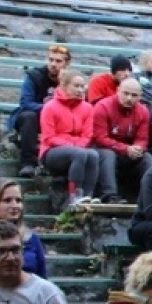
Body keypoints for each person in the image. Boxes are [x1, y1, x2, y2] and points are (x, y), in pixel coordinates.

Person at [40, 69, 116, 207]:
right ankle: (74, 195)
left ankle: (88, 195)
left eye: (82, 87)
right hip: (51, 151)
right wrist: (72, 144)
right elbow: (49, 137)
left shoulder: (87, 108)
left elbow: (87, 135)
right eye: (76, 86)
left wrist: (76, 144)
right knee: (80, 153)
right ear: (64, 85)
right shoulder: (50, 107)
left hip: (77, 148)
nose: (80, 90)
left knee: (93, 154)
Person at [10, 43, 70, 177]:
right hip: (36, 117)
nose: (53, 64)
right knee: (28, 116)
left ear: (66, 63)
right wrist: (50, 109)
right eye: (51, 60)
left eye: (58, 61)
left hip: (59, 120)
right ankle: (28, 163)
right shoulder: (34, 76)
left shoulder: (70, 81)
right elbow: (25, 103)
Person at [91, 76, 152, 202]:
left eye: (134, 95)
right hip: (103, 149)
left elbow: (143, 138)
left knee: (146, 158)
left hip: (128, 152)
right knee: (108, 155)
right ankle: (110, 195)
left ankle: (151, 195)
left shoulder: (143, 111)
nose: (129, 98)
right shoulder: (102, 107)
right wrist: (125, 148)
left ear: (140, 96)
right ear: (118, 90)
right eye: (126, 93)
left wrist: (138, 148)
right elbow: (100, 138)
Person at [0, 177, 47, 278]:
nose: (15, 206)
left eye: (18, 200)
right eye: (7, 200)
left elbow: (43, 276)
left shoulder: (31, 238)